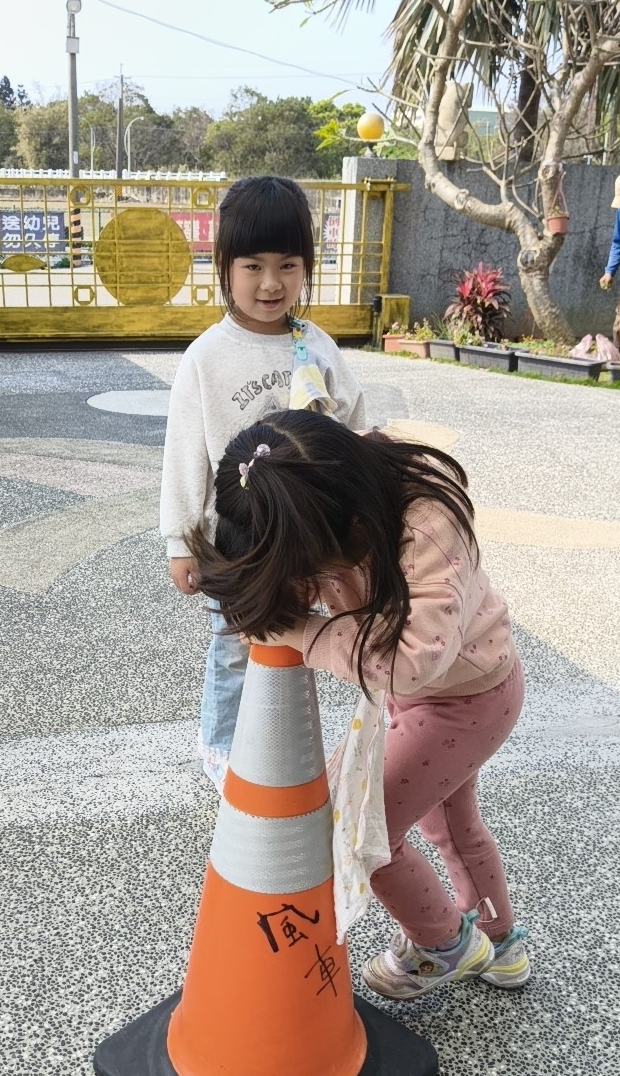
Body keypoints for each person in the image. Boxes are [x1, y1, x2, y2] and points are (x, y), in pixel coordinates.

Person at [189, 410, 530, 997]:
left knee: (356, 827)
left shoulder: (425, 524)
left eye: (313, 566)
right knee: (450, 825)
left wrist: (301, 632)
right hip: (441, 693)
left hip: (463, 702)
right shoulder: (326, 480)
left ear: (346, 524)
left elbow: (414, 657)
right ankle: (500, 946)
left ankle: (443, 945)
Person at [160, 177, 367, 790]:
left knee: (297, 638)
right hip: (239, 535)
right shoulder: (207, 356)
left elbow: (356, 427)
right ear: (224, 265)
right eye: (253, 266)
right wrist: (180, 540)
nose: (271, 283)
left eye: (288, 266)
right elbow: (185, 454)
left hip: (308, 533)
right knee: (234, 644)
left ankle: (281, 743)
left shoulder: (317, 347)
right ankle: (221, 746)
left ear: (307, 267)